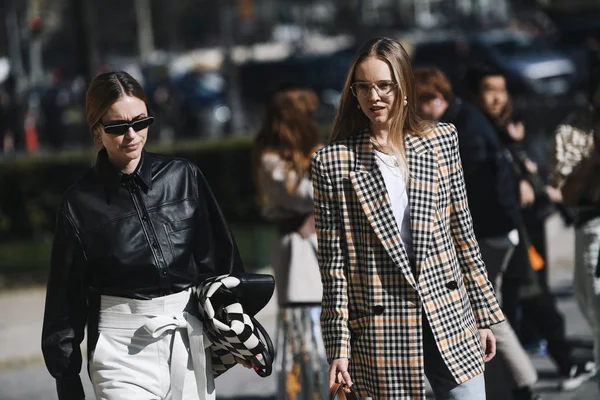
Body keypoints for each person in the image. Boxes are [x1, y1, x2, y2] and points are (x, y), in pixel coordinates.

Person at [311, 37, 504, 400]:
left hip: (449, 312)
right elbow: (334, 267)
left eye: (384, 85)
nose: (374, 97)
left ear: (402, 88)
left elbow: (463, 233)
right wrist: (338, 347)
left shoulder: (441, 140)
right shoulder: (333, 162)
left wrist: (483, 314)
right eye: (364, 87)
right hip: (383, 328)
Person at [41, 71, 246, 400]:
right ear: (97, 129)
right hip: (120, 350)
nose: (132, 135)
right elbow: (65, 301)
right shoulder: (79, 203)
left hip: (187, 339)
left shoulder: (184, 177)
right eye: (118, 127)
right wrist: (66, 379)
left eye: (141, 121)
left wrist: (236, 329)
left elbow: (221, 263)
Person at [413, 66, 540, 400]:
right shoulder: (466, 117)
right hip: (501, 227)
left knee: (485, 311)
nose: (416, 111)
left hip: (491, 230)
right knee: (486, 309)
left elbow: (471, 193)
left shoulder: (456, 130)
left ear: (436, 99)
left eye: (420, 102)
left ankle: (523, 383)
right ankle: (505, 385)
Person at [467, 64, 596, 391]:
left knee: (532, 295)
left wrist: (525, 174)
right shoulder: (479, 128)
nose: (497, 97)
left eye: (501, 89)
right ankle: (531, 373)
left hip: (525, 229)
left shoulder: (509, 126)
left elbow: (535, 175)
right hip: (506, 231)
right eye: (489, 90)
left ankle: (557, 364)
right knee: (521, 301)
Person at [252, 85, 328, 399]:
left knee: (324, 331)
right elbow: (303, 196)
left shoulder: (309, 153)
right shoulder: (272, 159)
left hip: (319, 247)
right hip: (298, 253)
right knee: (304, 336)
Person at [549, 61, 600, 392]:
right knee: (592, 304)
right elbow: (566, 193)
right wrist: (595, 158)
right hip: (593, 224)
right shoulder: (576, 133)